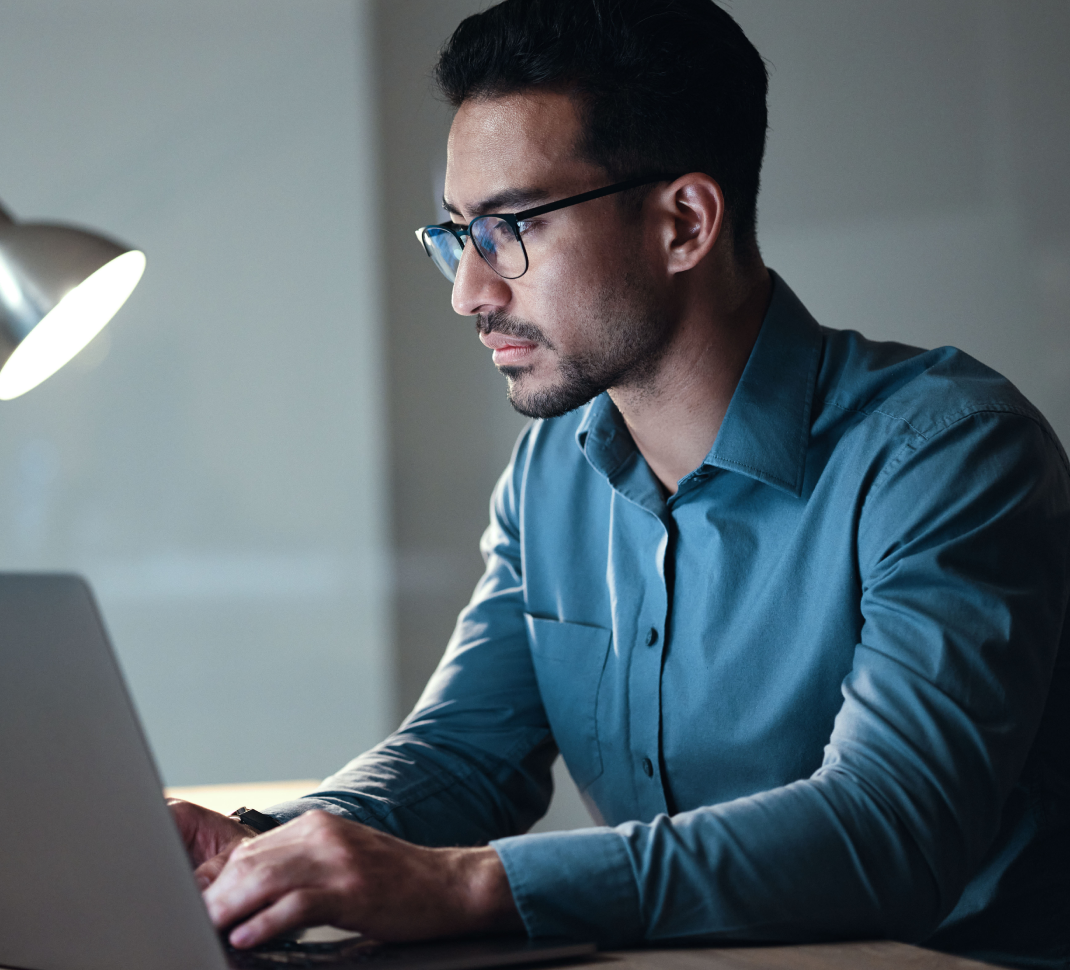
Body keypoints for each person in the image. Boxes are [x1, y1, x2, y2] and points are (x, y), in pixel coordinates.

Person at [169, 1, 1070, 967]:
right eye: (457, 233)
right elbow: (465, 754)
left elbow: (888, 833)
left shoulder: (950, 454)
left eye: (508, 227)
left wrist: (469, 884)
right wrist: (272, 840)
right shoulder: (553, 469)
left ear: (683, 222)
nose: (469, 291)